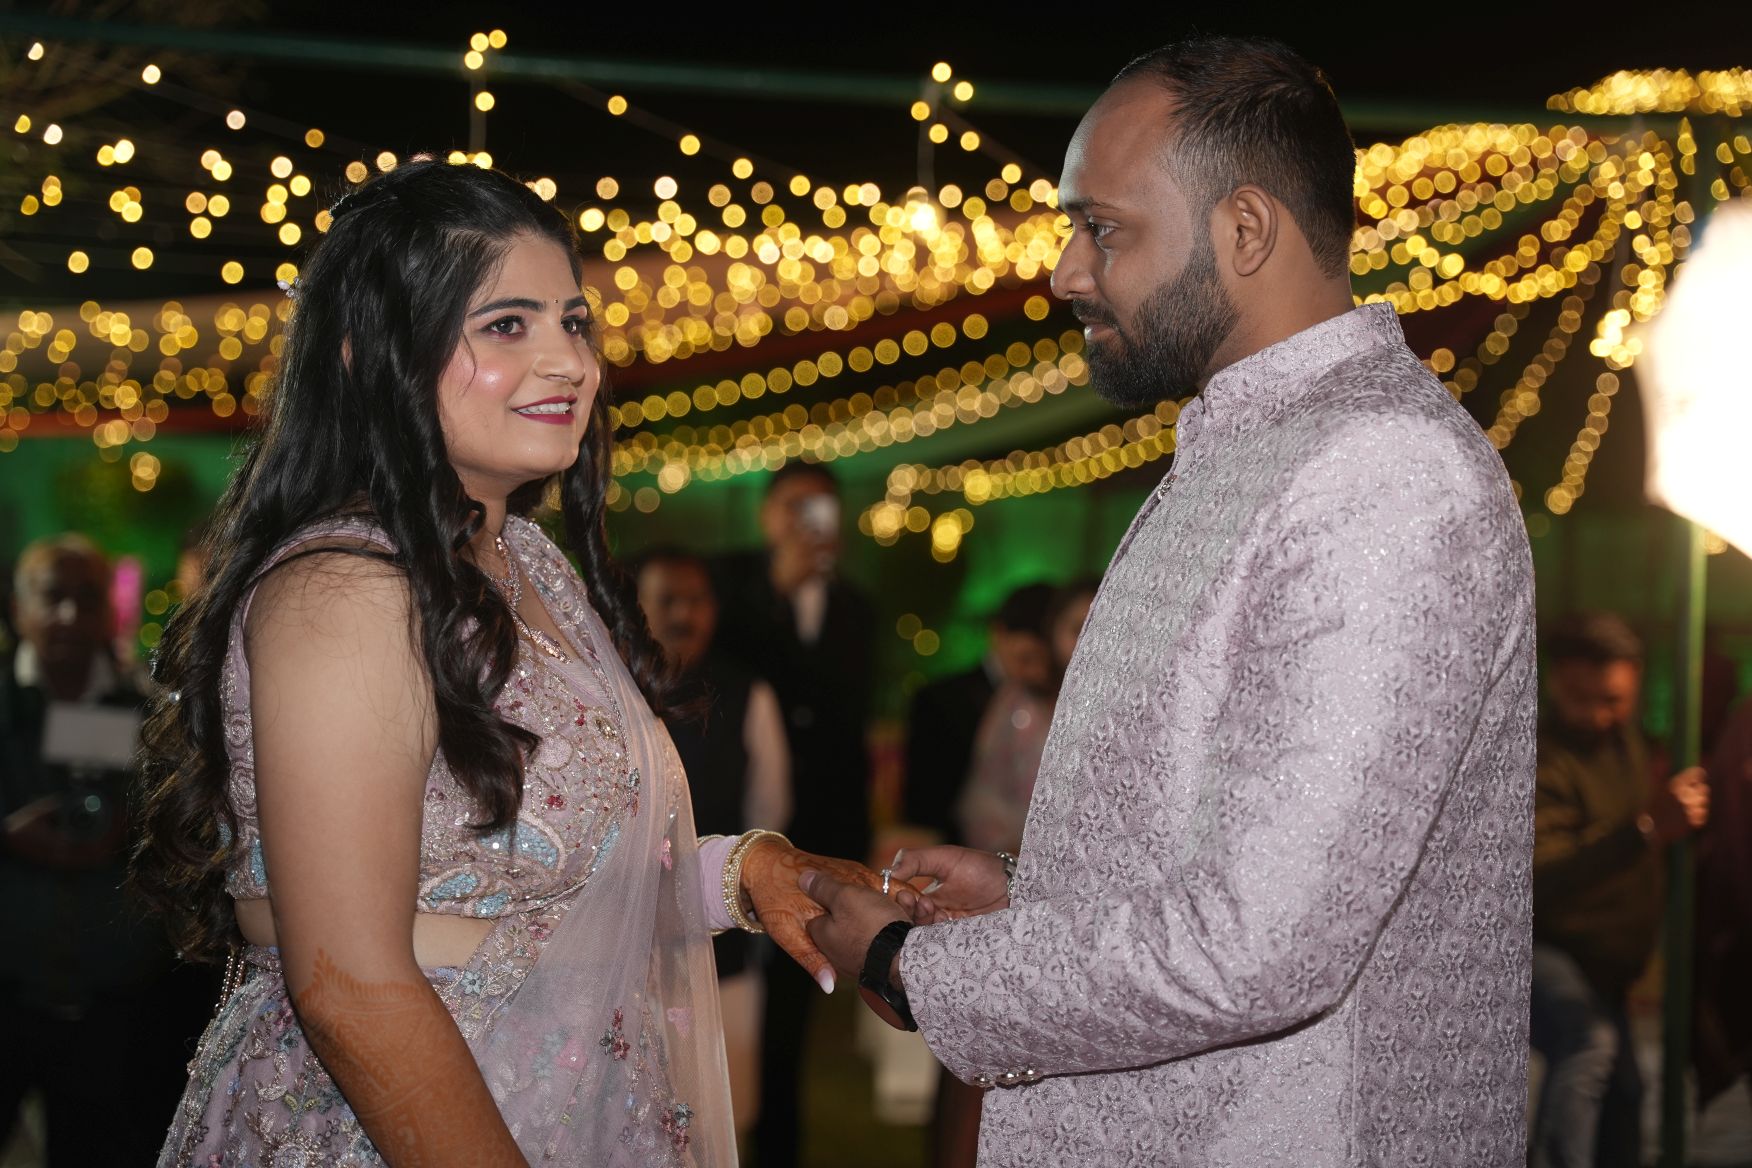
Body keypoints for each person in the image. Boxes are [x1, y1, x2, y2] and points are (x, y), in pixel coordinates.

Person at [802, 35, 1538, 1165]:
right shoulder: (1259, 445)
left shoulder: (1382, 472)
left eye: (1103, 228)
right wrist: (1034, 898)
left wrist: (915, 968)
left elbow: (1260, 947)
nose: (1066, 272)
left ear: (1245, 231)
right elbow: (1244, 847)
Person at [129, 159, 887, 1167]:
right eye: (506, 325)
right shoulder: (345, 589)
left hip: (575, 1109)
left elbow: (557, 891)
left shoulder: (531, 564)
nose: (569, 361)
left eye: (573, 322)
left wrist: (744, 873)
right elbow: (350, 985)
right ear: (370, 356)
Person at [1, 535, 211, 1165]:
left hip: (113, 1009)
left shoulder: (144, 717)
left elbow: (186, 840)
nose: (68, 614)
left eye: (86, 597)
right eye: (52, 596)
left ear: (108, 613)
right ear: (18, 609)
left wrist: (140, 827)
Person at [710, 459, 876, 1168]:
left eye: (821, 508)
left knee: (792, 1014)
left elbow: (847, 723)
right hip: (732, 835)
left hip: (820, 836)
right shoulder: (725, 589)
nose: (807, 522)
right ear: (766, 515)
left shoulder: (856, 608)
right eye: (793, 507)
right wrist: (777, 594)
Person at [1528, 612, 1709, 1168]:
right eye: (1582, 699)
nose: (1599, 714)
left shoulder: (1629, 745)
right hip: (1544, 948)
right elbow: (1546, 872)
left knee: (1625, 1095)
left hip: (1605, 965)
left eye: (1614, 700)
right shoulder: (1540, 754)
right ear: (1557, 681)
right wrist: (1646, 830)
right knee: (1589, 1044)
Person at [636, 545, 792, 1140]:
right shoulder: (615, 689)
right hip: (628, 945)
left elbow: (769, 812)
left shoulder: (747, 693)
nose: (683, 614)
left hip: (721, 946)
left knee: (724, 1109)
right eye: (667, 600)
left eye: (696, 600)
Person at [904, 583, 1053, 847]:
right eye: (1026, 657)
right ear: (999, 634)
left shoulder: (1058, 702)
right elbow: (923, 801)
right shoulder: (941, 699)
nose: (1033, 672)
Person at [955, 580, 1097, 854]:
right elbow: (986, 796)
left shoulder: (1117, 705)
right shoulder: (1015, 702)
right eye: (1077, 628)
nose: (1088, 641)